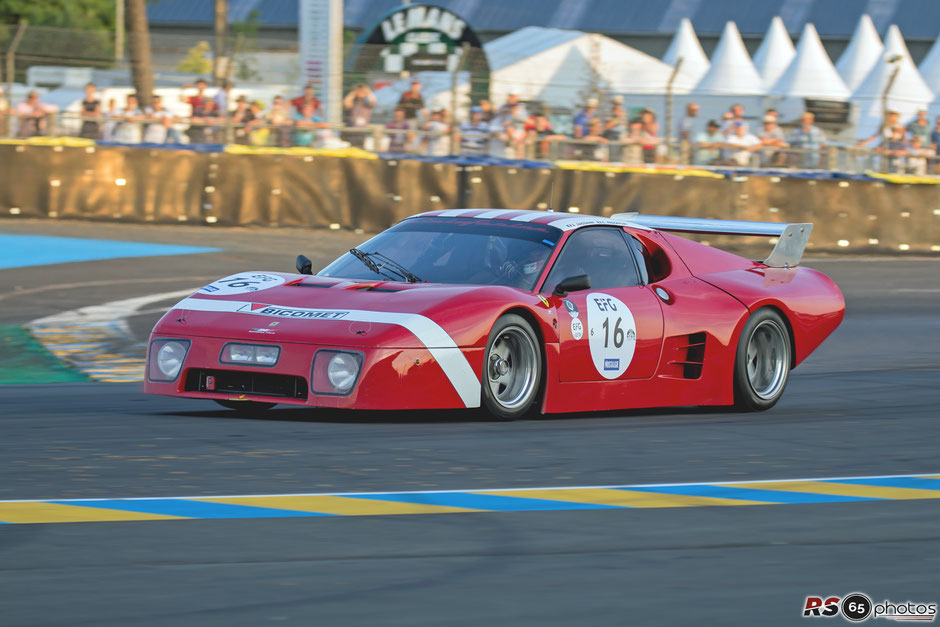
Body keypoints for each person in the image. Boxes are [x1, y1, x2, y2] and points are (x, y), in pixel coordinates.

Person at [342, 83, 376, 148]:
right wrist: (354, 92)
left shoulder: (367, 105)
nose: (361, 93)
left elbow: (373, 101)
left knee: (361, 148)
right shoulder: (354, 104)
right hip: (352, 130)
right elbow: (346, 102)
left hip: (362, 130)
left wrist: (367, 91)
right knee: (352, 148)